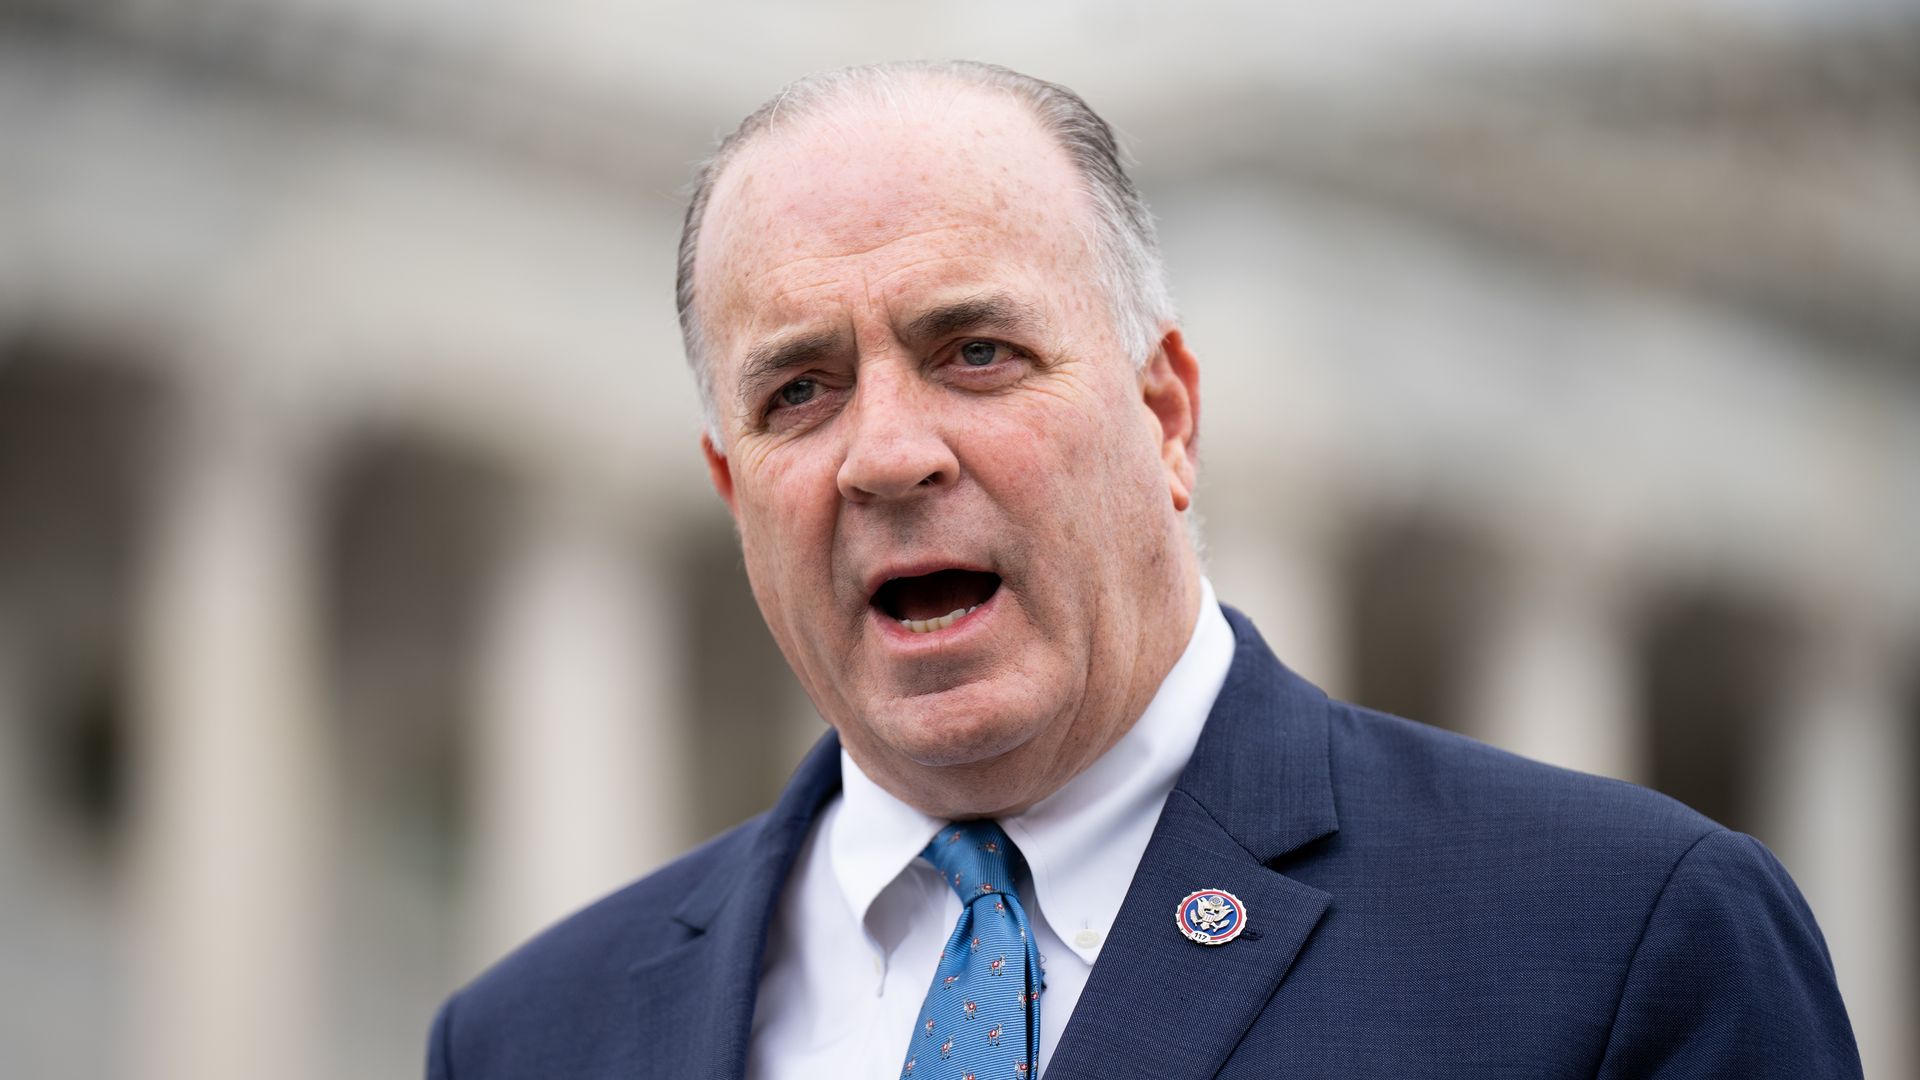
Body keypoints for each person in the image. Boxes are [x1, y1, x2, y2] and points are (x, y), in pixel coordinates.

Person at [426, 61, 1860, 1079]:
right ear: (734, 490)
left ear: (1166, 414)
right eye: (798, 390)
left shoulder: (1623, 939)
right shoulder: (527, 1039)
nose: (884, 454)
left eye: (975, 351)